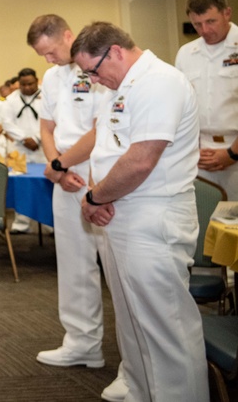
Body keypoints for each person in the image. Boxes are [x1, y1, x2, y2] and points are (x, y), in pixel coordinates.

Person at [73, 22, 208, 402]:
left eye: (94, 70)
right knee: (133, 318)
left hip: (154, 216)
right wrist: (97, 193)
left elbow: (140, 161)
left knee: (167, 328)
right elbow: (108, 149)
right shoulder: (121, 84)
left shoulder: (159, 81)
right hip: (121, 211)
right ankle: (141, 389)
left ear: (115, 51)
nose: (94, 80)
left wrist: (95, 199)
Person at [27, 14, 126, 402]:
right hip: (63, 172)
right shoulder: (51, 78)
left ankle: (133, 363)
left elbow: (102, 126)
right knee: (71, 262)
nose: (48, 61)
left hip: (101, 172)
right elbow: (47, 128)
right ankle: (82, 342)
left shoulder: (97, 63)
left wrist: (63, 164)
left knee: (116, 267)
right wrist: (56, 167)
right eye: (42, 55)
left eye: (50, 51)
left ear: (67, 36)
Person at [174, 0, 238, 198]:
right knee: (209, 221)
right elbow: (181, 107)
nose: (204, 30)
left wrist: (232, 154)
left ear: (227, 13)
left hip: (234, 147)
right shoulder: (186, 53)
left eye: (211, 21)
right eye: (197, 24)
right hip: (200, 154)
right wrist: (193, 149)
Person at [0, 68, 45, 233]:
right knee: (20, 185)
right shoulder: (11, 100)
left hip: (43, 147)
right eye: (23, 84)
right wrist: (24, 139)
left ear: (37, 81)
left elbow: (53, 120)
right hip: (18, 148)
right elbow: (6, 123)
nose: (27, 88)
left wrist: (37, 138)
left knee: (44, 184)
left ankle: (47, 222)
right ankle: (21, 223)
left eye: (30, 84)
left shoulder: (47, 96)